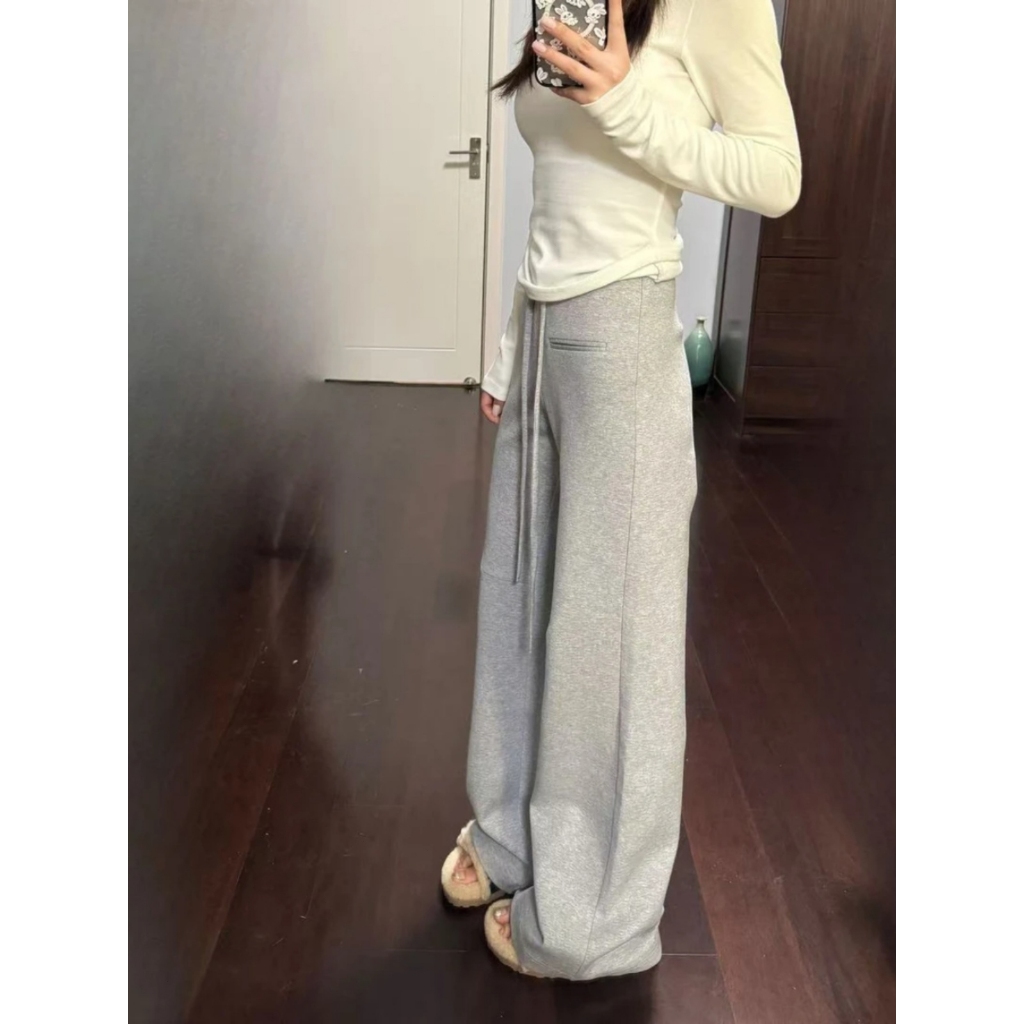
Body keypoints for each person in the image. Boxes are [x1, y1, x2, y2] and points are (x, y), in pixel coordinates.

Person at [440, 0, 800, 980]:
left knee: (609, 643)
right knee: (517, 600)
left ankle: (593, 920)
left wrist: (627, 102)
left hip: (624, 333)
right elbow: (559, 196)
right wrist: (512, 348)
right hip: (544, 332)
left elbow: (776, 175)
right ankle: (513, 833)